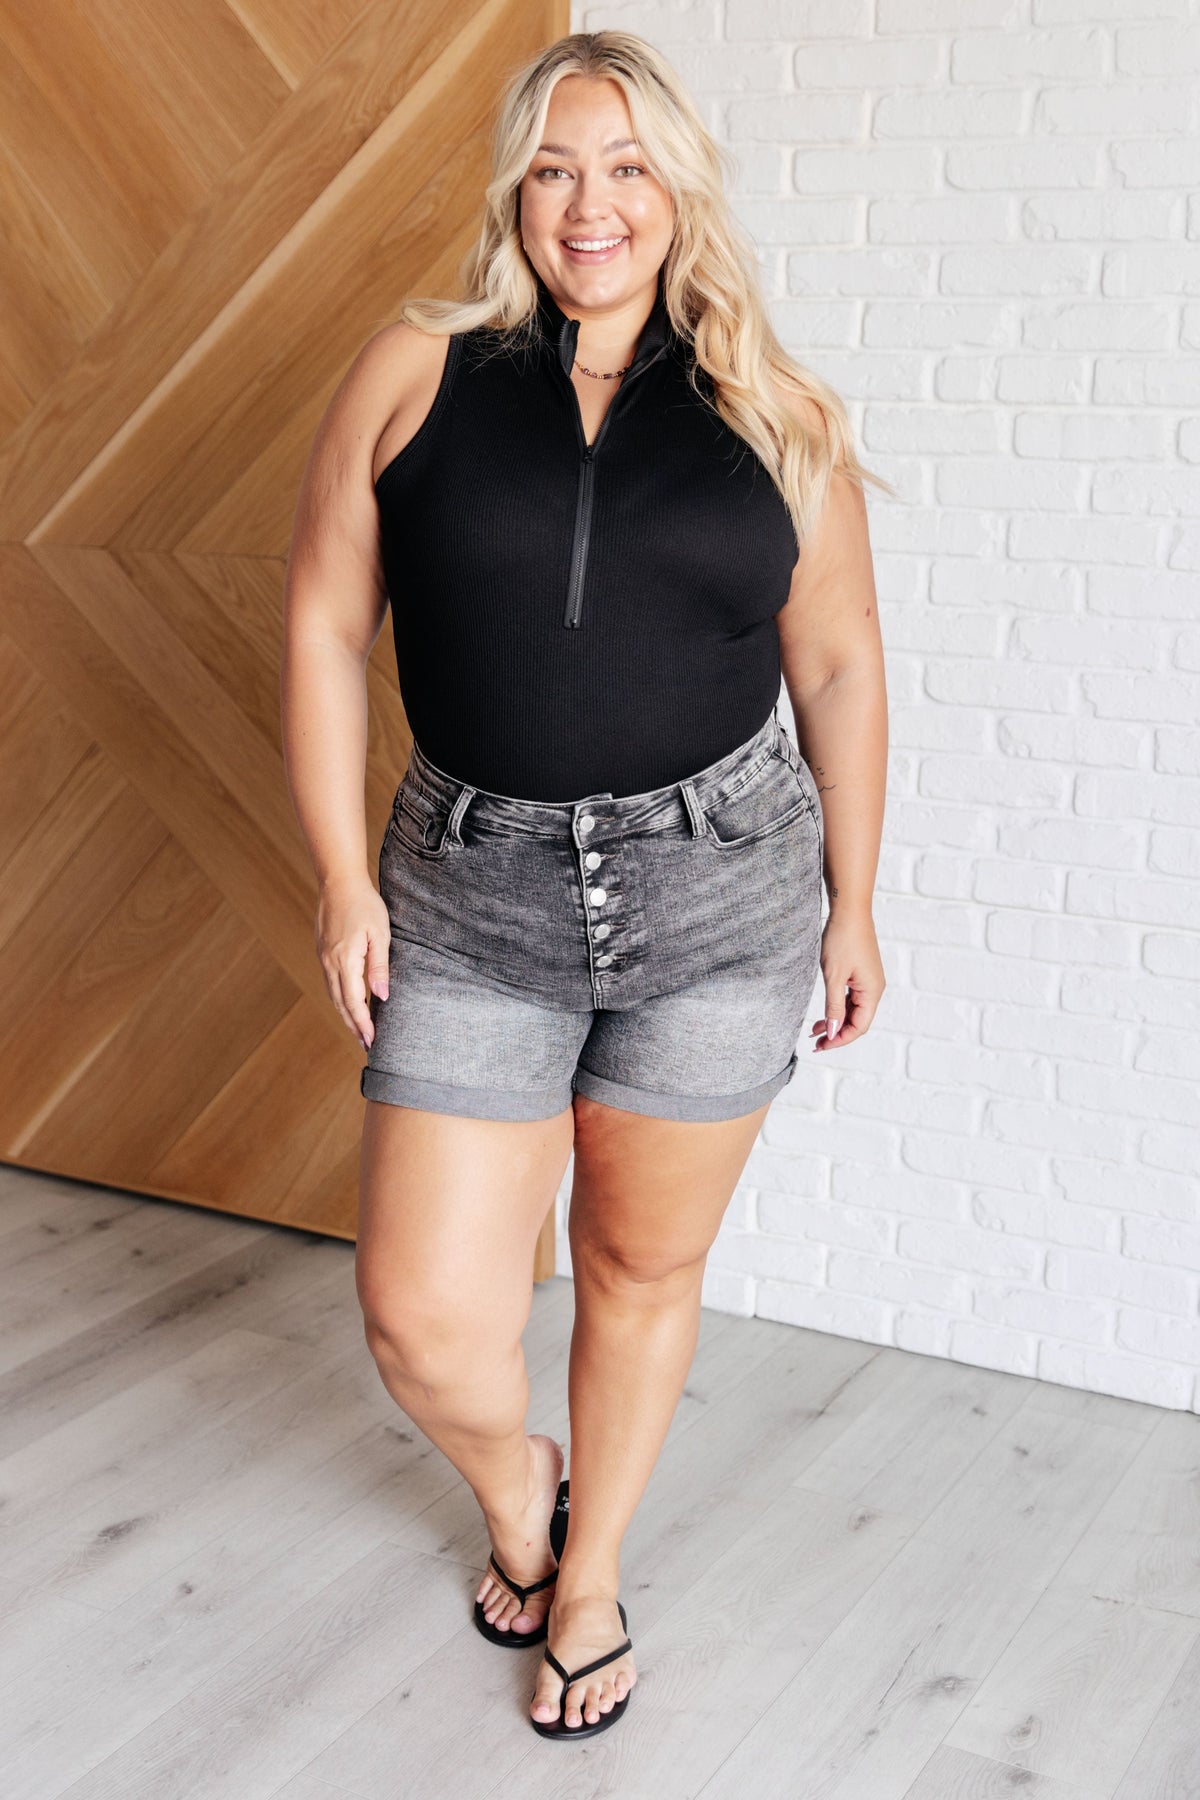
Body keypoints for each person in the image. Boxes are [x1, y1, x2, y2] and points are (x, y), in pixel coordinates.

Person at [280, 29, 888, 1742]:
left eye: (625, 167)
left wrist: (854, 901)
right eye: (554, 167)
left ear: (679, 188)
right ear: (514, 190)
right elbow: (324, 620)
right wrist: (341, 879)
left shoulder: (776, 411)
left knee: (637, 1264)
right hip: (473, 897)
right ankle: (518, 1487)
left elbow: (840, 665)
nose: (589, 204)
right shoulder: (417, 367)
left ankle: (593, 1571)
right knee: (420, 1316)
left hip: (721, 896)